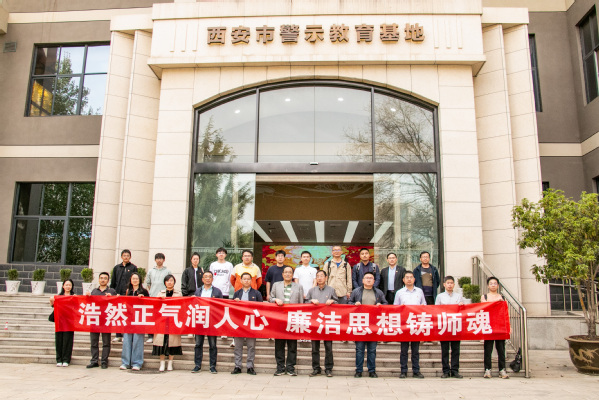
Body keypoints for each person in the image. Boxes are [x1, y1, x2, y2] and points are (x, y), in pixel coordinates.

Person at [348, 272, 387, 378]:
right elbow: (349, 303)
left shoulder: (378, 292)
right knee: (359, 349)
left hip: (373, 325)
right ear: (362, 280)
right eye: (367, 278)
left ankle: (372, 370)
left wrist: (381, 305)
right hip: (360, 324)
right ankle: (359, 370)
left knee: (372, 350)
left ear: (374, 281)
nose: (369, 280)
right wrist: (354, 304)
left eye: (371, 278)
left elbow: (385, 303)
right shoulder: (356, 291)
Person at [270, 266, 304, 376]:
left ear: (293, 275)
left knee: (292, 345)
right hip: (279, 319)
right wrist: (275, 299)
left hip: (293, 319)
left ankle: (290, 368)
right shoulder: (276, 285)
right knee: (279, 345)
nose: (288, 274)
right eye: (286, 272)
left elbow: (301, 304)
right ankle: (280, 368)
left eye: (290, 272)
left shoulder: (298, 286)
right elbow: (270, 298)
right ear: (282, 274)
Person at [305, 269, 338, 377]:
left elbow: (338, 303)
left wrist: (332, 301)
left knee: (328, 347)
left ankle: (328, 369)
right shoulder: (311, 290)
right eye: (318, 276)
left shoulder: (331, 290)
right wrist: (311, 301)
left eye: (321, 276)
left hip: (327, 322)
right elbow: (305, 302)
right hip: (315, 322)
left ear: (326, 278)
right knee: (315, 348)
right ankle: (316, 368)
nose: (319, 278)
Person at [394, 271, 426, 379]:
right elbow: (395, 308)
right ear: (403, 280)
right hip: (404, 324)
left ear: (414, 279)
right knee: (404, 350)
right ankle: (403, 370)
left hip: (416, 324)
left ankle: (416, 370)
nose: (409, 279)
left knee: (415, 350)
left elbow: (424, 305)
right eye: (407, 277)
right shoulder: (399, 292)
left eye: (411, 277)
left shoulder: (419, 291)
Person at [231, 272, 263, 375]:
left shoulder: (256, 293)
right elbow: (232, 309)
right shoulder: (237, 293)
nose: (246, 281)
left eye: (248, 279)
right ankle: (237, 366)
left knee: (251, 346)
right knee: (238, 346)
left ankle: (250, 367)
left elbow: (261, 308)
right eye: (244, 279)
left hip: (251, 323)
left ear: (251, 280)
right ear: (240, 280)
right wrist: (235, 302)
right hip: (239, 323)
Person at [191, 271, 223, 374]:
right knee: (198, 344)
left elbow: (221, 306)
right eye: (206, 277)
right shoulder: (198, 291)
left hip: (212, 321)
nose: (208, 279)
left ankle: (212, 366)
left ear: (212, 279)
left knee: (212, 345)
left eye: (210, 277)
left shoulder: (217, 292)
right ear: (202, 279)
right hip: (200, 320)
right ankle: (197, 365)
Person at [86, 272, 117, 369]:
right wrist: (87, 297)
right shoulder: (94, 291)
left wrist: (111, 298)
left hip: (106, 320)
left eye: (105, 278)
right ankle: (94, 360)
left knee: (106, 342)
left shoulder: (112, 291)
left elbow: (116, 303)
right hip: (95, 319)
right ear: (99, 279)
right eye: (101, 278)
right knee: (94, 342)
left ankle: (104, 361)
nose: (103, 280)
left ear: (108, 280)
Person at [435, 275, 464, 379]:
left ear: (454, 284)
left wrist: (461, 305)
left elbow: (462, 311)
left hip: (456, 326)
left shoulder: (458, 296)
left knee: (456, 350)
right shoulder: (440, 296)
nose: (450, 285)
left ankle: (455, 370)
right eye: (448, 283)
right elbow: (436, 310)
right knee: (445, 350)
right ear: (444, 284)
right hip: (444, 326)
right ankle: (446, 371)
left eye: (451, 283)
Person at [152, 274, 183, 372]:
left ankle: (170, 362)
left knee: (172, 342)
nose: (169, 282)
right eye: (168, 281)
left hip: (173, 320)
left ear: (174, 282)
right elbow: (155, 307)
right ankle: (162, 363)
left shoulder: (178, 294)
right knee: (161, 342)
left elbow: (182, 306)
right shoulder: (160, 293)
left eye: (171, 280)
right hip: (162, 321)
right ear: (165, 283)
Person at [121, 272, 149, 371]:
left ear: (140, 280)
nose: (135, 280)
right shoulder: (127, 291)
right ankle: (125, 362)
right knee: (127, 340)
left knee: (138, 340)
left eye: (137, 278)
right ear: (130, 280)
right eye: (133, 278)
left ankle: (137, 363)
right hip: (129, 319)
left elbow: (149, 304)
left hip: (139, 319)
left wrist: (143, 299)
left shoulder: (144, 291)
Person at [482, 276, 509, 379]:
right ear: (488, 286)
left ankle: (502, 369)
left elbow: (505, 312)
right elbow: (484, 307)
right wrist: (495, 303)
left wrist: (508, 326)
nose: (493, 285)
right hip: (489, 325)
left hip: (499, 326)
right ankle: (487, 369)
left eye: (495, 283)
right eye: (491, 283)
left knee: (501, 349)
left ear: (498, 286)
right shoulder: (484, 296)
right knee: (488, 349)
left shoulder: (502, 297)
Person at [110, 249, 137, 342]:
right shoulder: (117, 268)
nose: (126, 257)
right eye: (124, 255)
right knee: (118, 314)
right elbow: (113, 281)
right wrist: (113, 292)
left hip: (129, 295)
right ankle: (118, 335)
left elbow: (136, 280)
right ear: (121, 257)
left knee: (128, 314)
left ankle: (126, 334)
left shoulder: (133, 267)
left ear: (130, 257)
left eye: (127, 256)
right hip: (118, 294)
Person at [145, 252, 171, 342]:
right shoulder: (151, 271)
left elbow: (170, 283)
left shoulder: (167, 271)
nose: (159, 260)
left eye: (161, 258)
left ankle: (161, 335)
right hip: (153, 296)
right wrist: (153, 291)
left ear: (164, 260)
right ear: (155, 260)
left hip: (163, 297)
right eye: (157, 258)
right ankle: (151, 336)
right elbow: (148, 283)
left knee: (162, 316)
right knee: (152, 317)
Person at [50, 279, 75, 367]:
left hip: (69, 321)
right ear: (63, 286)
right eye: (66, 285)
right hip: (60, 321)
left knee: (68, 340)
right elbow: (53, 305)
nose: (68, 287)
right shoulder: (59, 296)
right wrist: (51, 300)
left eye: (69, 285)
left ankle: (66, 359)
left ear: (72, 287)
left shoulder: (74, 296)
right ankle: (59, 359)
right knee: (59, 339)